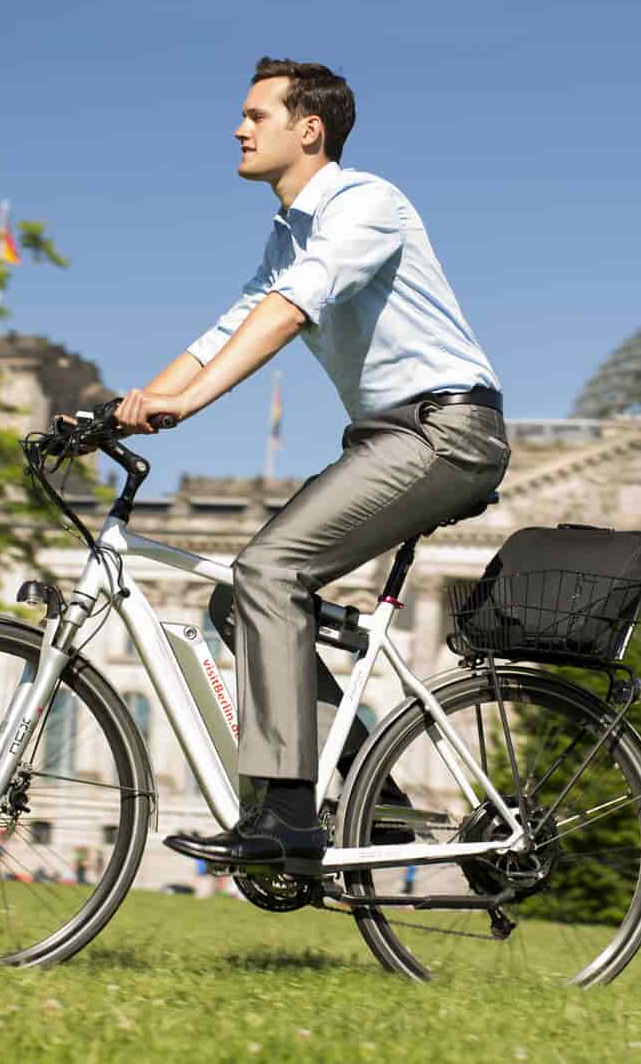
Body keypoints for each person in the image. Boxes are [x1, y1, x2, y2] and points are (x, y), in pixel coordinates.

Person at [113, 58, 508, 878]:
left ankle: (287, 817)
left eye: (257, 113)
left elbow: (296, 309)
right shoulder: (286, 232)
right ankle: (377, 806)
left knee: (271, 568)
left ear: (310, 129)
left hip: (447, 429)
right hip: (387, 437)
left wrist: (187, 407)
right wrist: (129, 402)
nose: (238, 127)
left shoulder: (367, 203)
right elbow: (234, 325)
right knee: (241, 600)